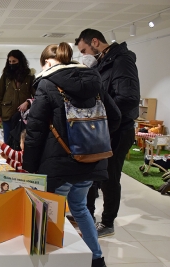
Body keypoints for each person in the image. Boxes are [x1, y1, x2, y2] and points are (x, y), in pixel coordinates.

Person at [23, 42, 121, 267]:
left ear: (48, 62)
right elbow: (114, 117)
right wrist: (91, 141)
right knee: (80, 208)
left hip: (59, 166)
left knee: (48, 213)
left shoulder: (47, 85)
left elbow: (35, 130)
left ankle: (47, 260)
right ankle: (97, 258)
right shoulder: (94, 82)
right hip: (89, 162)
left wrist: (29, 167)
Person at [76, 28, 140, 238]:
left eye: (85, 50)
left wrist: (103, 114)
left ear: (95, 42)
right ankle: (88, 216)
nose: (85, 55)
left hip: (118, 130)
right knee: (93, 176)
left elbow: (128, 97)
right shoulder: (103, 61)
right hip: (102, 129)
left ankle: (108, 222)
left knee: (109, 178)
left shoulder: (121, 60)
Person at [0, 50, 36, 143]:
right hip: (7, 115)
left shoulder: (29, 76)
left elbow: (36, 95)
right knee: (8, 142)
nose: (11, 64)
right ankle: (9, 158)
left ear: (20, 61)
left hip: (23, 116)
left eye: (14, 61)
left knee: (22, 142)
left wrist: (28, 102)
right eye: (9, 61)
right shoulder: (5, 75)